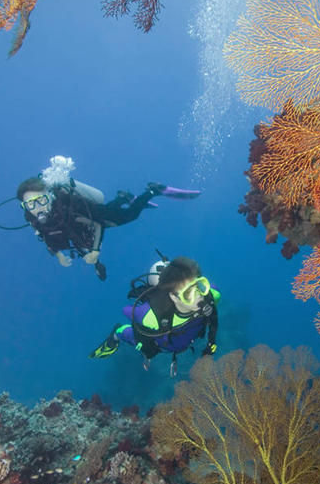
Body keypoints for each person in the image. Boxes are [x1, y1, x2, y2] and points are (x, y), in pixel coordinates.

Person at [17, 157, 200, 281]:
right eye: (30, 204)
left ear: (50, 196)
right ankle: (123, 197)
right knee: (111, 211)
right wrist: (59, 256)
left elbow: (97, 224)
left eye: (40, 200)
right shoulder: (33, 218)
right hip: (87, 220)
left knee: (130, 216)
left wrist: (95, 252)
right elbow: (47, 238)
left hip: (91, 216)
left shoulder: (65, 211)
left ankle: (154, 190)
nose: (37, 208)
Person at [89, 256, 220, 374]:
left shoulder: (212, 294)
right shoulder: (149, 315)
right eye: (188, 294)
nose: (198, 296)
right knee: (137, 338)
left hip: (186, 338)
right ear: (173, 297)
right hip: (161, 344)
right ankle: (116, 334)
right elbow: (127, 311)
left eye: (199, 286)